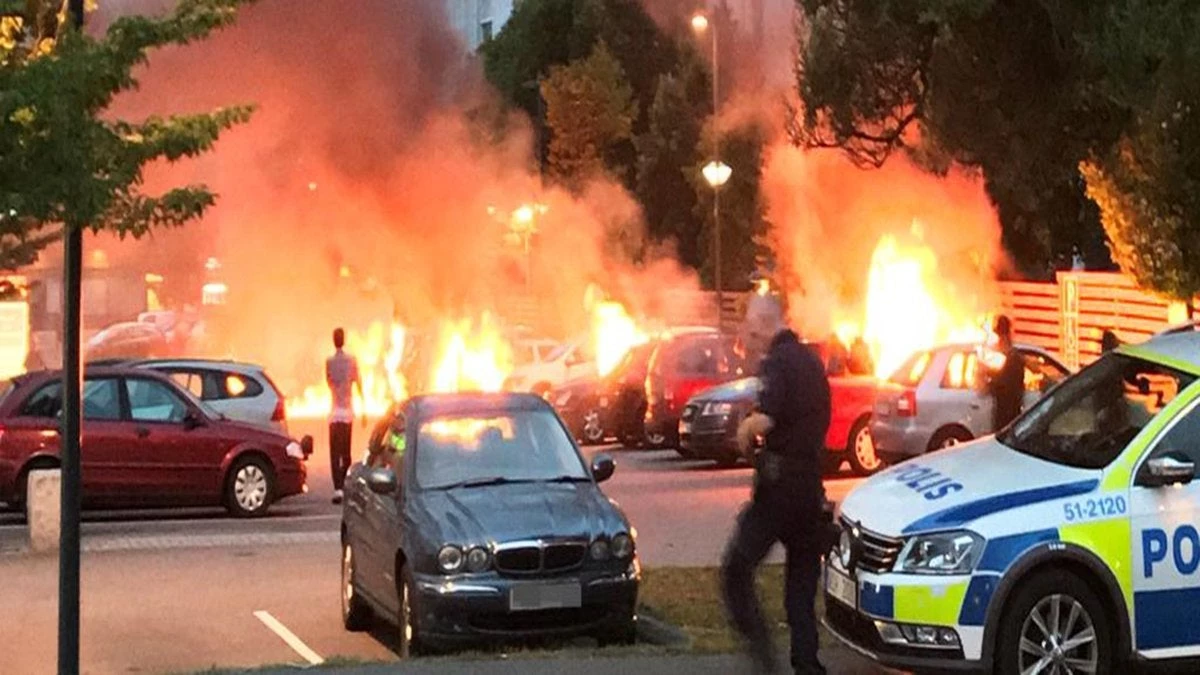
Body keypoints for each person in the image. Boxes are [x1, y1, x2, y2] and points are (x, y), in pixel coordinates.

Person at [725, 317, 831, 675]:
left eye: (753, 336)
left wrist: (744, 433)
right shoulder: (813, 362)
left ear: (766, 332)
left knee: (736, 570)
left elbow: (766, 419)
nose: (750, 345)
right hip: (810, 487)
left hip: (778, 491)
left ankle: (763, 658)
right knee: (801, 587)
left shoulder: (777, 362)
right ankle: (807, 663)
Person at [327, 327, 362, 505]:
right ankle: (345, 485)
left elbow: (329, 383)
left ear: (334, 341)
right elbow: (359, 383)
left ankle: (338, 488)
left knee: (334, 452)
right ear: (344, 340)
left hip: (334, 413)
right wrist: (364, 408)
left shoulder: (329, 362)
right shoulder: (352, 361)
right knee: (346, 452)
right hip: (348, 412)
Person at [985, 315, 1024, 433]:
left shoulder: (1011, 358)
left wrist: (989, 382)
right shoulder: (1013, 356)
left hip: (1007, 410)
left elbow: (1002, 383)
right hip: (1009, 409)